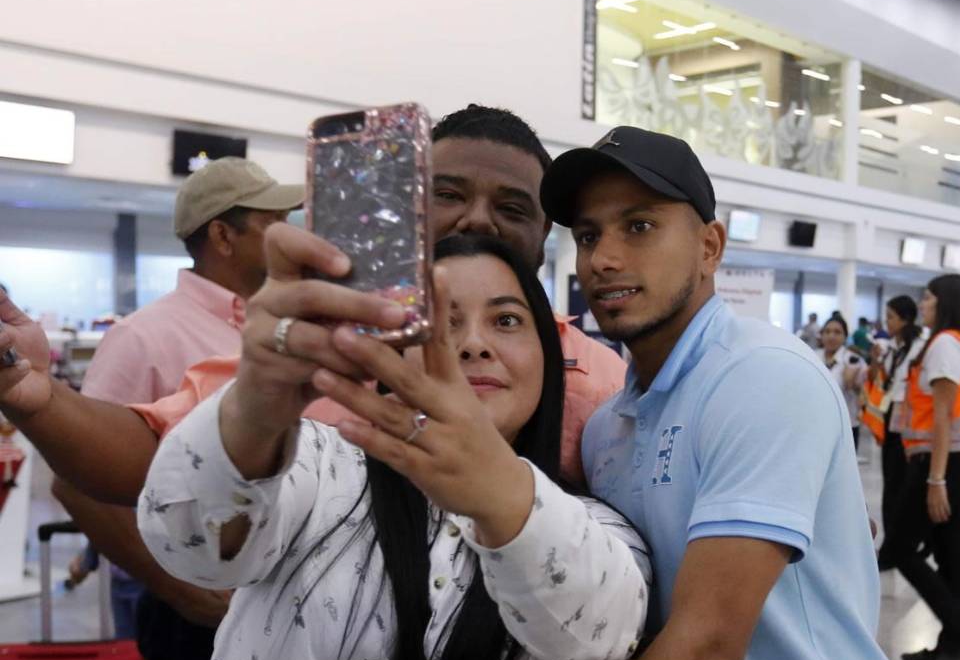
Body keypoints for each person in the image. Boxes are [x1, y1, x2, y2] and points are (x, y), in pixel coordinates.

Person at [137, 232, 650, 660]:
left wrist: (500, 492)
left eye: (507, 320)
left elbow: (602, 631)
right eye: (438, 323)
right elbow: (187, 538)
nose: (473, 343)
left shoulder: (592, 528)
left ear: (548, 357)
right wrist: (255, 401)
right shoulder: (319, 470)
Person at [520, 126, 922, 660]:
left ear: (709, 246)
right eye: (586, 235)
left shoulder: (760, 376)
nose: (603, 259)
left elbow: (703, 651)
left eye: (638, 226)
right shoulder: (611, 424)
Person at [0, 106, 626, 505]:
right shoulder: (316, 351)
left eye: (513, 208)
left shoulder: (600, 383)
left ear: (545, 235)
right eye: (447, 194)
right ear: (404, 209)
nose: (476, 219)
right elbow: (152, 450)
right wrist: (39, 394)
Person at [53, 156, 304, 660]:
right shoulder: (148, 337)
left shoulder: (282, 323)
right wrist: (181, 590)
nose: (288, 233)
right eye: (273, 221)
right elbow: (76, 481)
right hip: (199, 621)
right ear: (223, 236)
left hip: (289, 609)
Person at [886, 275, 960, 660]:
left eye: (928, 297)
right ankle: (952, 648)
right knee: (948, 551)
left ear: (944, 303)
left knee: (898, 549)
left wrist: (936, 481)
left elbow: (943, 416)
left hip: (949, 461)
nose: (923, 304)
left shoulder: (946, 344)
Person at [860, 296, 925, 558]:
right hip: (889, 420)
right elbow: (881, 381)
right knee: (891, 483)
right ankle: (891, 545)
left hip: (908, 423)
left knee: (903, 486)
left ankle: (900, 545)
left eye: (891, 317)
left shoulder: (920, 347)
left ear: (905, 318)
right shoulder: (892, 348)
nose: (887, 322)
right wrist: (876, 360)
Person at [819, 314, 867, 449]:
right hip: (818, 425)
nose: (831, 336)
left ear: (845, 336)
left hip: (846, 427)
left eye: (837, 332)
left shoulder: (854, 360)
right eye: (827, 332)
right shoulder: (813, 356)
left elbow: (865, 393)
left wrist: (853, 384)